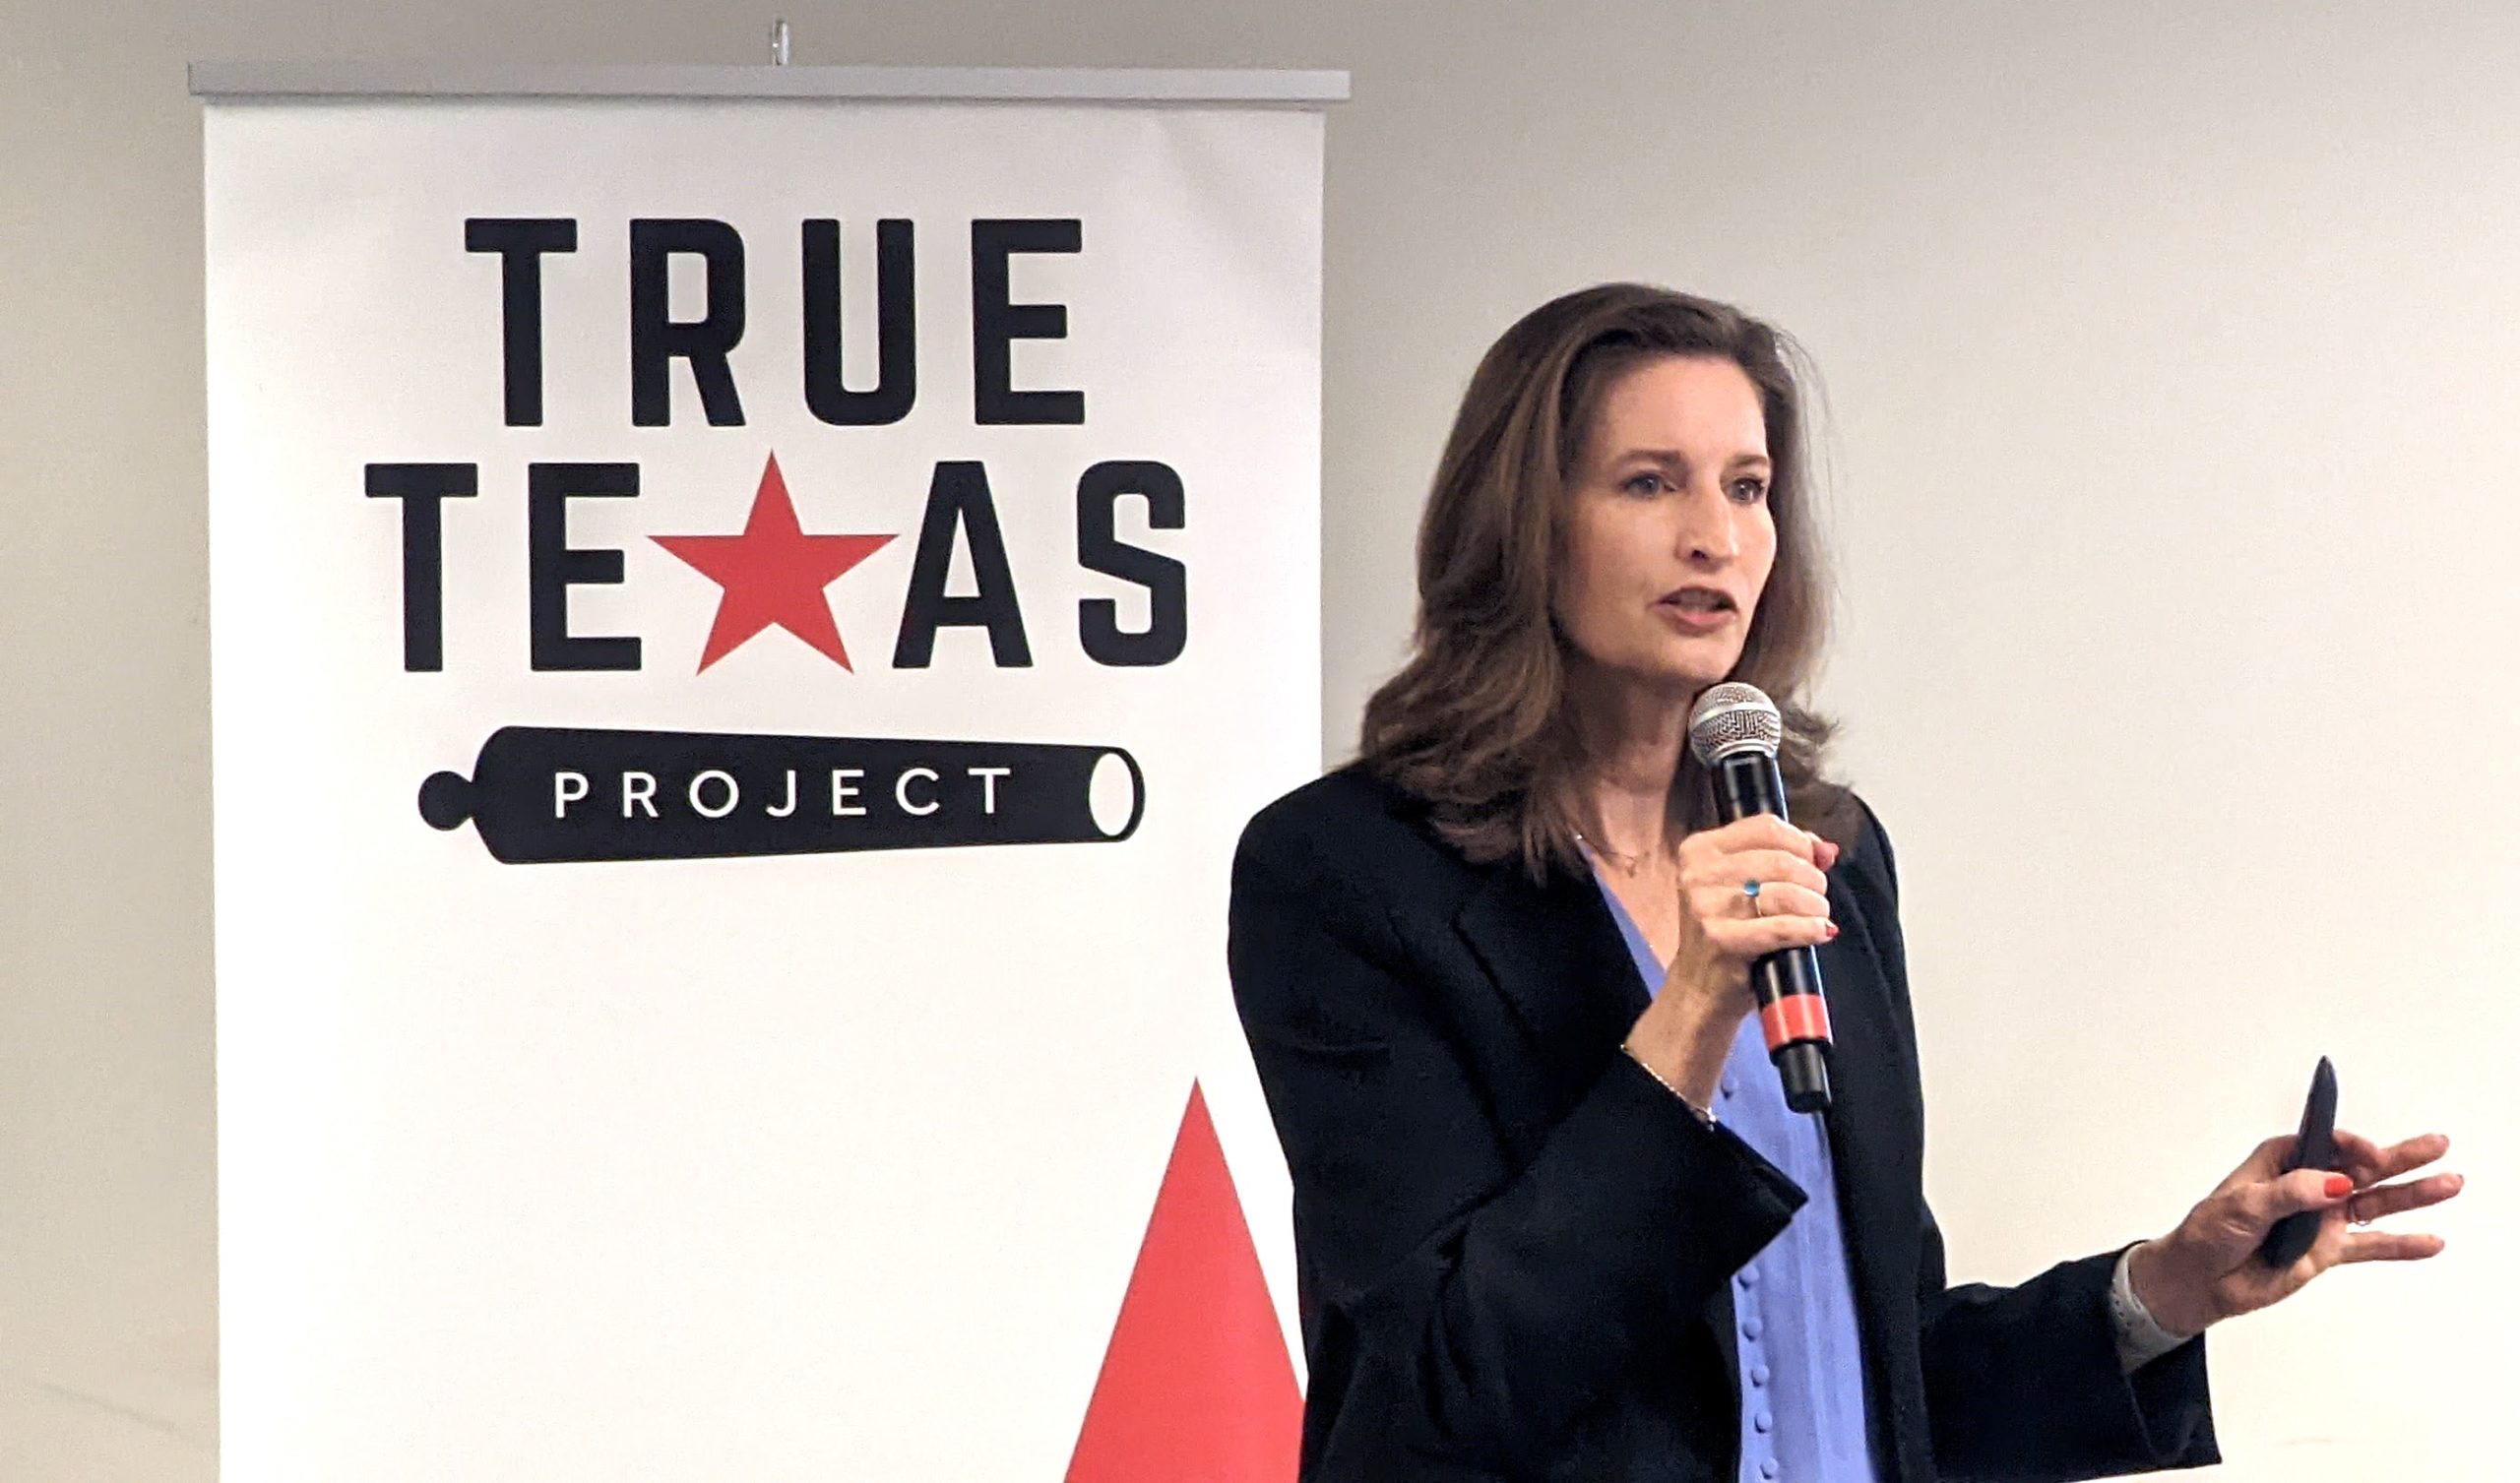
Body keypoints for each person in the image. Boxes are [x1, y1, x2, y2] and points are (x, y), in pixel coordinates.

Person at [1225, 283, 2463, 1482]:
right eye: (1649, 482)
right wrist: (1694, 1009)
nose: (1714, 534)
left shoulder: (1828, 852)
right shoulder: (1345, 875)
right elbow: (1453, 1377)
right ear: (1522, 524)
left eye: (1747, 487)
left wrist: (2163, 1289)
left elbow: (1881, 1358)